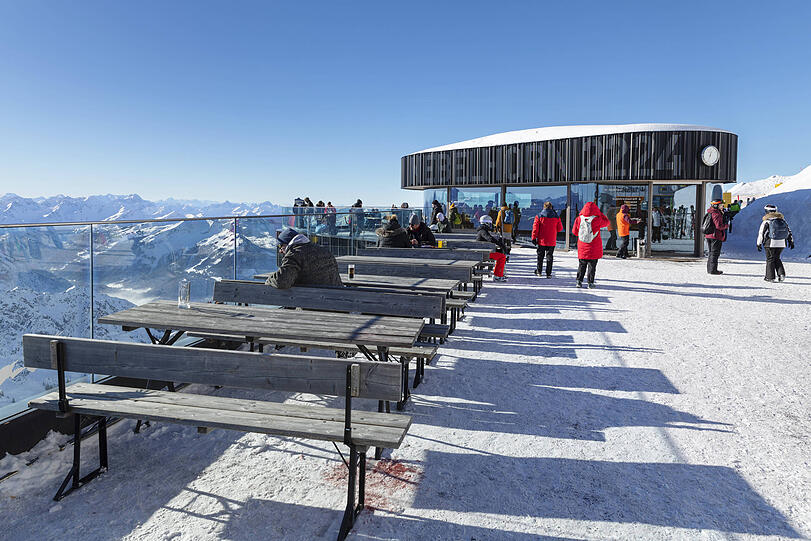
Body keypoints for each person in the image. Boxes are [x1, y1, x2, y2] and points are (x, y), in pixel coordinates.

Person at [265, 228, 343, 289]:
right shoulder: (323, 250)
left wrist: (269, 280)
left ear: (287, 243)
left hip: (316, 305)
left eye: (280, 246)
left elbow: (282, 282)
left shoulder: (294, 254)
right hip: (340, 302)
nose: (280, 251)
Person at [572, 202, 609, 288]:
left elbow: (574, 232)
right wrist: (600, 214)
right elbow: (607, 222)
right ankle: (590, 283)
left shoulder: (579, 219)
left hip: (582, 246)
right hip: (594, 246)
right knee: (592, 266)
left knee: (582, 265)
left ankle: (579, 281)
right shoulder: (597, 219)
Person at [757, 204, 794, 282]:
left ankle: (770, 277)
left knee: (770, 259)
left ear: (767, 211)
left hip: (771, 243)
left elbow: (761, 233)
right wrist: (791, 241)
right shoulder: (782, 220)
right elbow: (789, 231)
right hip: (782, 243)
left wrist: (759, 243)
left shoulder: (767, 221)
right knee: (777, 258)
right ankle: (781, 274)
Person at [531, 202, 563, 278]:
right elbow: (560, 228)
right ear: (551, 207)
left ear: (544, 207)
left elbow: (535, 228)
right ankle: (548, 273)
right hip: (551, 240)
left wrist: (533, 237)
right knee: (549, 257)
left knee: (540, 257)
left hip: (541, 240)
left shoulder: (539, 216)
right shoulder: (556, 216)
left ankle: (539, 271)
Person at [476, 216, 508, 281]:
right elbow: (490, 239)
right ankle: (498, 275)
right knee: (502, 257)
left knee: (500, 254)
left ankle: (498, 274)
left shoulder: (483, 230)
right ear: (487, 223)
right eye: (490, 224)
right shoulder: (483, 231)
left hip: (484, 252)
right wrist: (499, 243)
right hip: (483, 254)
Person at [704, 199, 729, 275]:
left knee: (711, 253)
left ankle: (710, 269)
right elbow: (718, 226)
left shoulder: (710, 212)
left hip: (709, 235)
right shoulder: (716, 213)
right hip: (715, 236)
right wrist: (726, 226)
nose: (722, 206)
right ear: (716, 205)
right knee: (715, 253)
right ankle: (713, 270)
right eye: (721, 205)